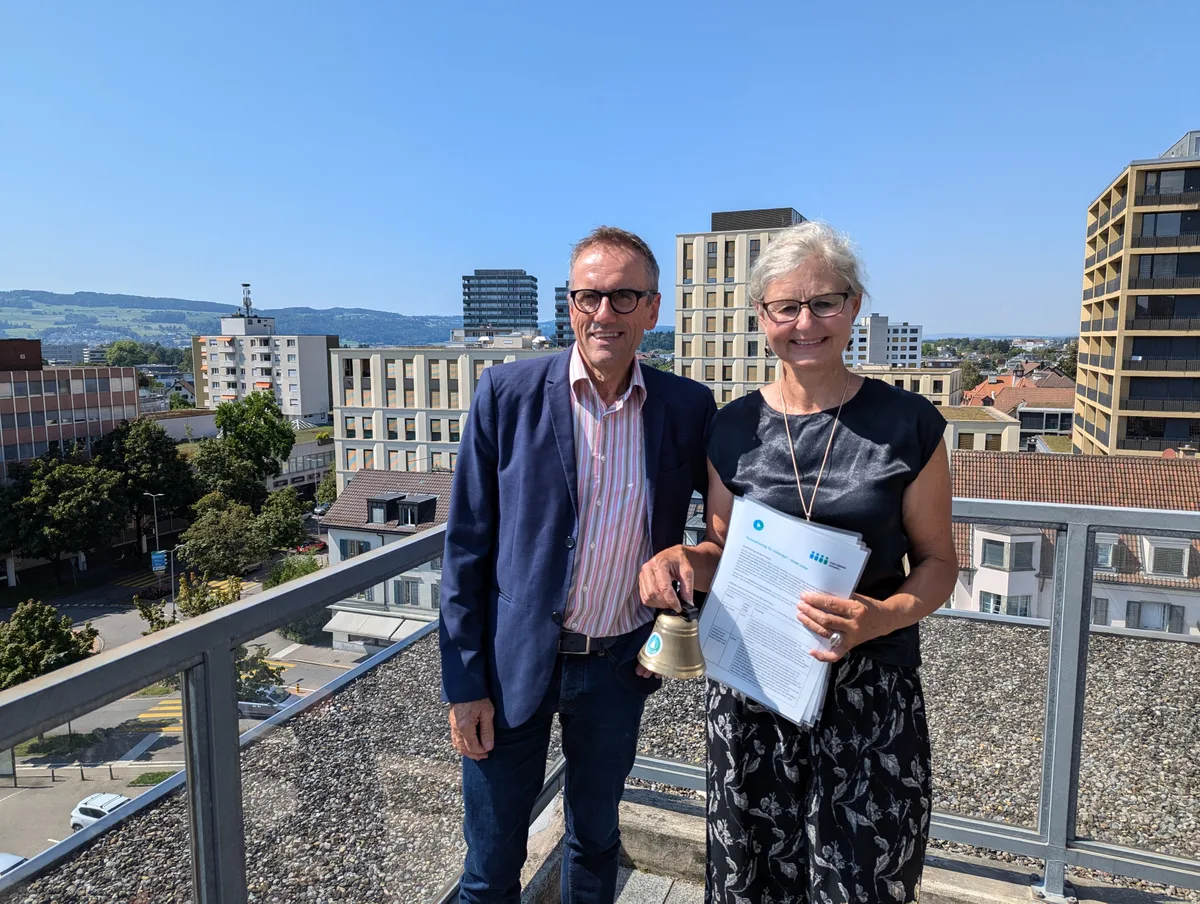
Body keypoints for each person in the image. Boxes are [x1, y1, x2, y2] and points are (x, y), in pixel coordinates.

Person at [639, 222, 957, 904]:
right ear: (762, 317)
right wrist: (681, 560)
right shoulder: (733, 427)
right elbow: (720, 554)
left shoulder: (910, 424)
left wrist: (881, 616)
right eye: (786, 307)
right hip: (754, 683)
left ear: (855, 305)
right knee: (751, 878)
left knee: (862, 880)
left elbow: (937, 563)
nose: (805, 323)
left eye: (825, 303)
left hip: (870, 692)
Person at [440, 226, 717, 904]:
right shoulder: (505, 394)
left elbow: (720, 537)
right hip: (509, 672)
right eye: (588, 296)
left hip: (618, 667)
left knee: (595, 841)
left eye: (625, 297)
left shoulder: (685, 407)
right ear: (568, 306)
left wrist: (674, 621)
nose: (604, 314)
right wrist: (463, 685)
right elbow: (467, 547)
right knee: (489, 867)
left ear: (653, 310)